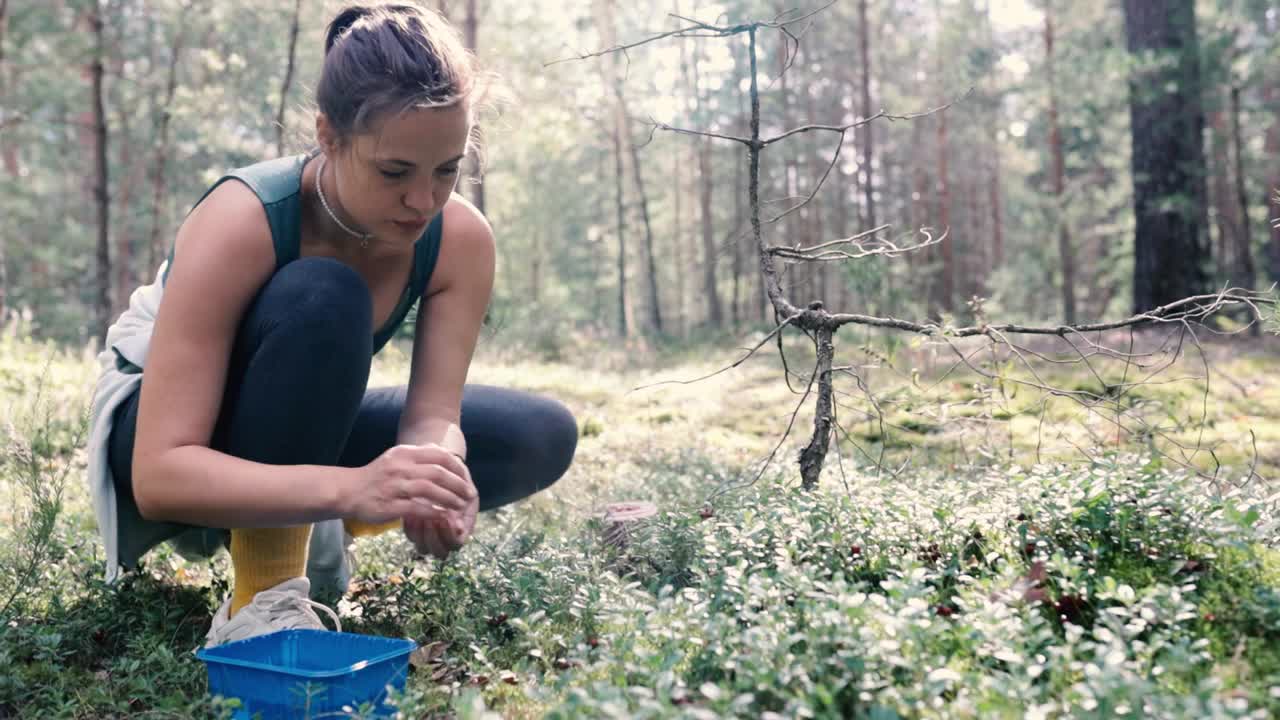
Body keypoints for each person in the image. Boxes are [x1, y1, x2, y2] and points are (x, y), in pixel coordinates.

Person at [85, 2, 578, 648]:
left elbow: (433, 414)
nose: (424, 201)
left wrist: (432, 475)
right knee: (326, 295)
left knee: (538, 435)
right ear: (327, 135)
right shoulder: (242, 219)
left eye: (448, 169)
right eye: (394, 172)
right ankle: (260, 602)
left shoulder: (460, 239)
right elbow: (160, 476)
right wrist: (352, 488)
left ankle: (307, 514)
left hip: (299, 422)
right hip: (161, 435)